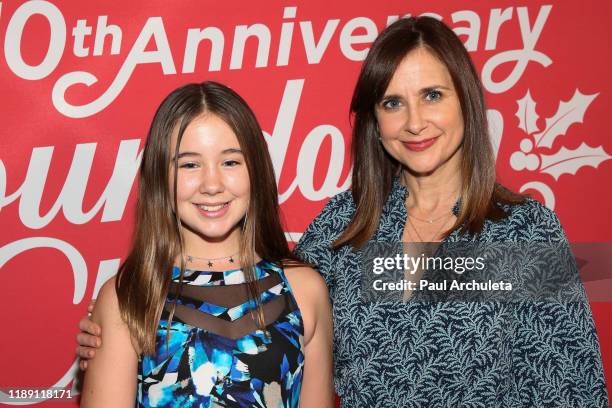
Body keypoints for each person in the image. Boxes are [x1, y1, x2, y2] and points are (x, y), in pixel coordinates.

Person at [77, 17, 609, 407]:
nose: (415, 122)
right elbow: (261, 300)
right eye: (392, 103)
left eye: (432, 95)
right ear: (374, 121)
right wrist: (118, 325)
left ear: (466, 102)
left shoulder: (521, 231)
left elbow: (574, 384)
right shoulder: (343, 230)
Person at [80, 81, 333, 407]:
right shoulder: (130, 298)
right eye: (189, 164)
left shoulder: (304, 290)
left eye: (230, 162)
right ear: (159, 176)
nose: (211, 185)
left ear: (255, 170)